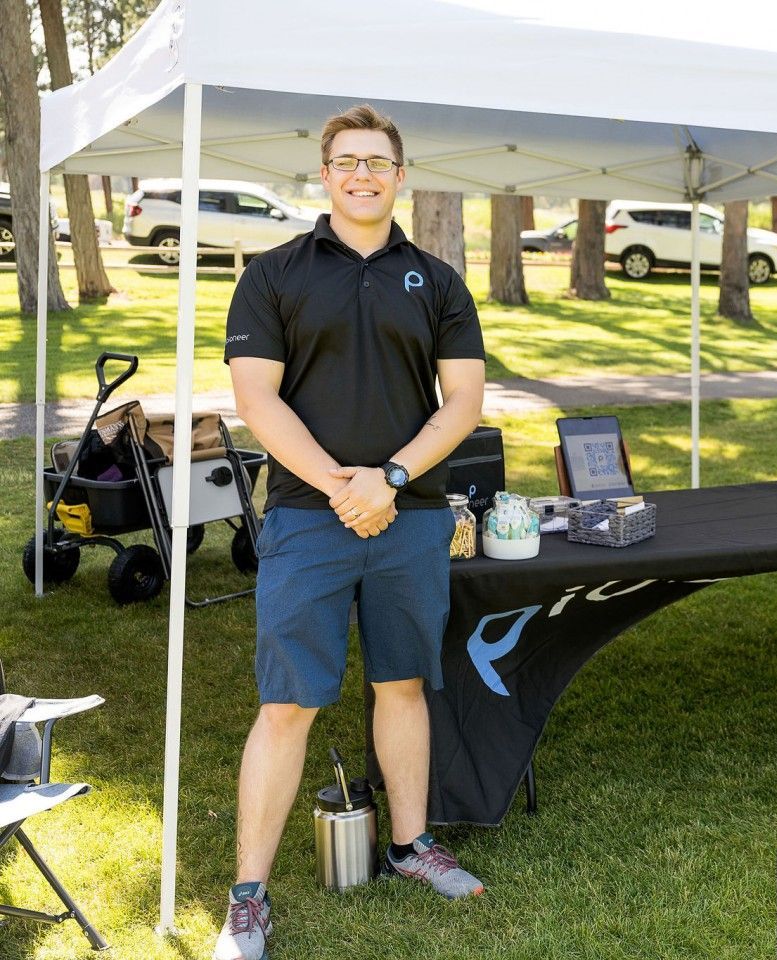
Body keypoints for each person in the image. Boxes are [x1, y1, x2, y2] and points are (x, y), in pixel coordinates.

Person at [216, 104, 488, 960]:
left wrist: (392, 478)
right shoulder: (274, 273)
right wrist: (341, 484)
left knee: (403, 685)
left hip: (409, 517)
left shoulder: (439, 280)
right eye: (346, 161)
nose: (362, 174)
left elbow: (465, 403)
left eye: (378, 161)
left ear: (401, 176)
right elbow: (257, 399)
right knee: (287, 702)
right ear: (324, 175)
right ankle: (248, 897)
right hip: (309, 515)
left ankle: (410, 847)